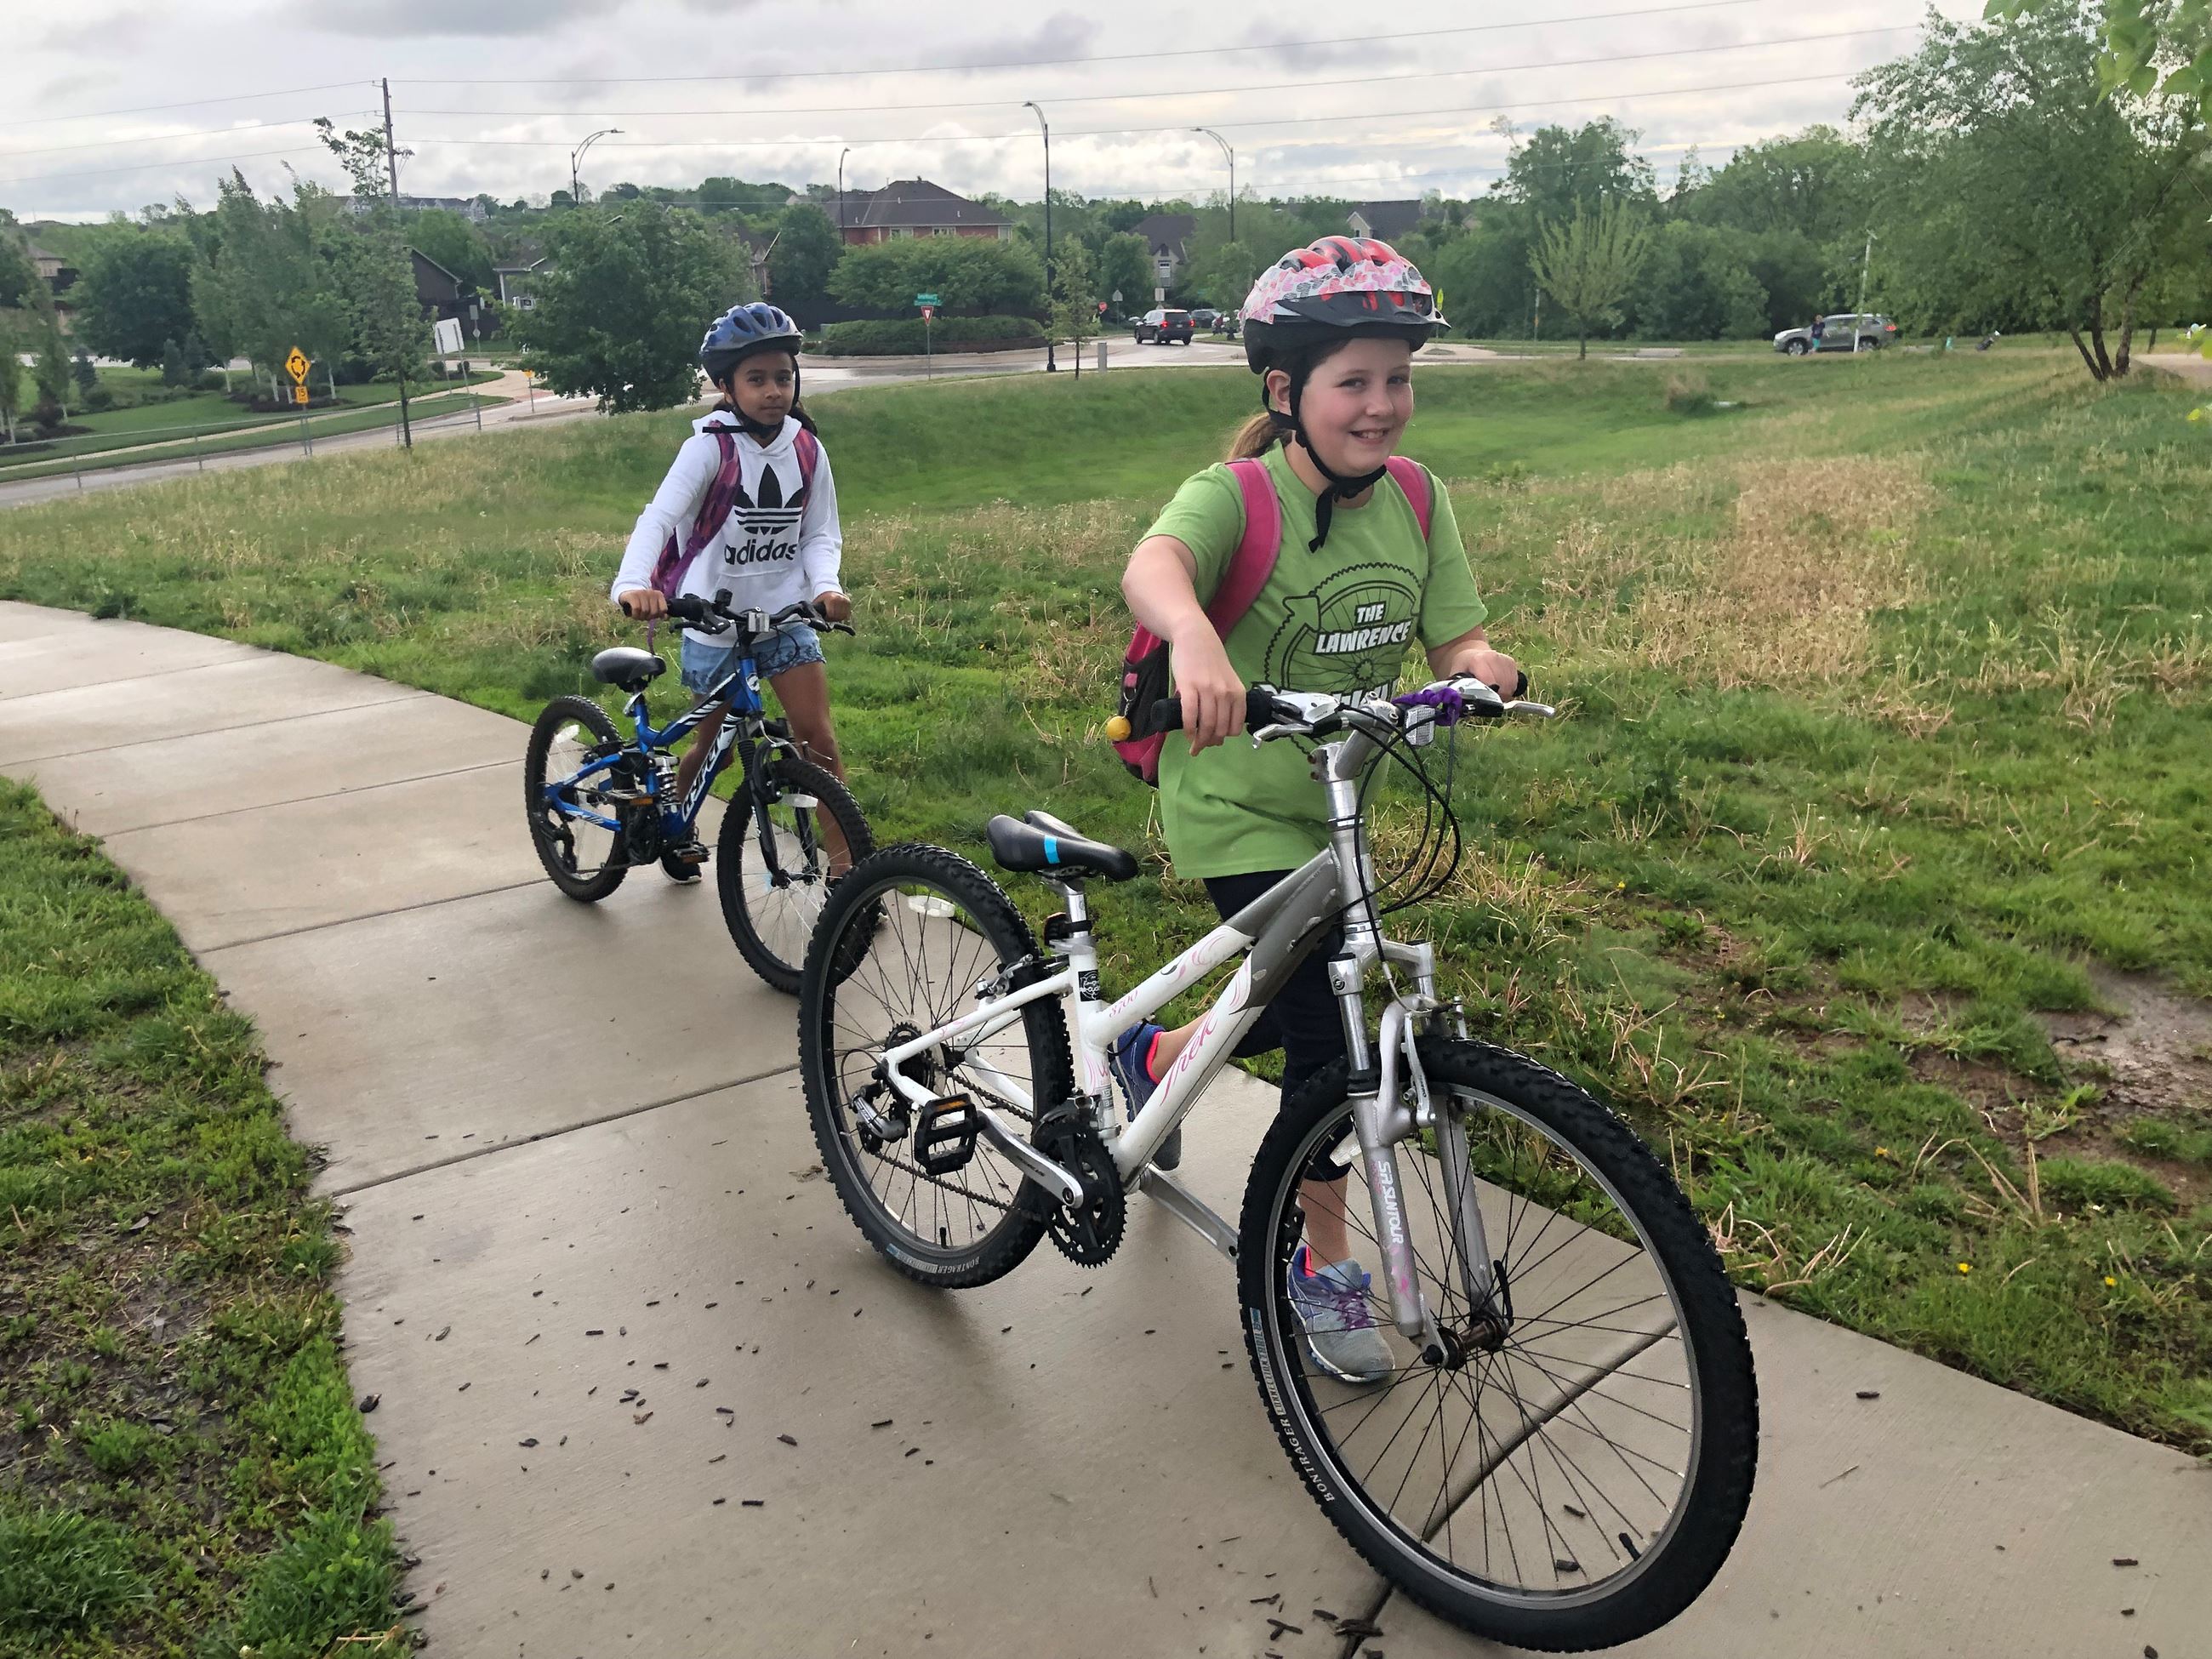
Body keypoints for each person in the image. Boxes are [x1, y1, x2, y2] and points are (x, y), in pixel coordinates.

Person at [1115, 237, 1518, 1383]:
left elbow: (1459, 635)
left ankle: (1156, 1054)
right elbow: (1154, 566)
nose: (1383, 405)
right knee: (1326, 1041)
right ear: (1285, 392)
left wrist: (1484, 666)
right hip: (1233, 795)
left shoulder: (1418, 498)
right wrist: (1193, 633)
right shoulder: (1238, 494)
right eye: (1356, 381)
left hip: (1335, 801)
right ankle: (1318, 1262)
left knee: (1283, 1000)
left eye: (1399, 378)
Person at [611, 303, 852, 881]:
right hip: (712, 619)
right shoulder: (708, 448)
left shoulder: (807, 449)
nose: (774, 391)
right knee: (710, 745)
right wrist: (633, 584)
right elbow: (660, 518)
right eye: (757, 379)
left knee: (817, 739)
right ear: (726, 386)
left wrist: (826, 587)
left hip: (783, 616)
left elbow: (819, 534)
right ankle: (675, 819)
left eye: (784, 377)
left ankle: (849, 870)